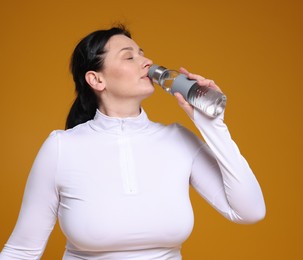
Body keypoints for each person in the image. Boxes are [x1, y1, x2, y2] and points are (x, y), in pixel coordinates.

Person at [0, 25, 266, 260]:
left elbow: (250, 211)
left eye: (141, 53)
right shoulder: (61, 147)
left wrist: (212, 123)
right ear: (96, 79)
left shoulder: (178, 139)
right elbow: (22, 251)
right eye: (129, 56)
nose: (146, 61)